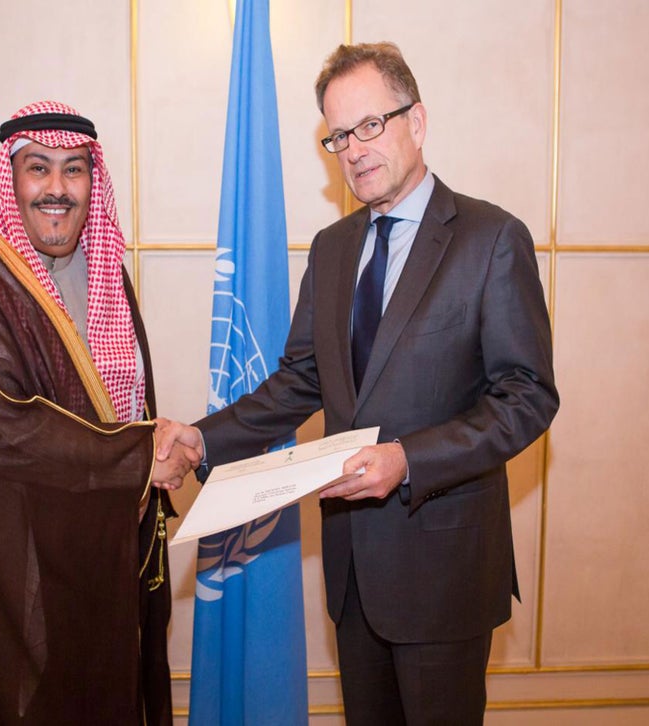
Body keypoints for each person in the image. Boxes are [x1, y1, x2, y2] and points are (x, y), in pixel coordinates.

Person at [156, 43, 559, 724]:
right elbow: (301, 380)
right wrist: (200, 439)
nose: (354, 149)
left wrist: (409, 460)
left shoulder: (492, 239)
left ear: (417, 121)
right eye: (339, 135)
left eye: (370, 125)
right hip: (352, 575)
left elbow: (527, 397)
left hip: (444, 570)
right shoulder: (333, 247)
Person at [0, 100, 199, 725]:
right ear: (12, 179)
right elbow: (0, 430)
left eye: (74, 169)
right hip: (20, 566)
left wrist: (153, 449)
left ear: (95, 181)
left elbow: (126, 399)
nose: (57, 189)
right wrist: (145, 454)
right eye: (39, 169)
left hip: (105, 550)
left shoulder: (108, 274)